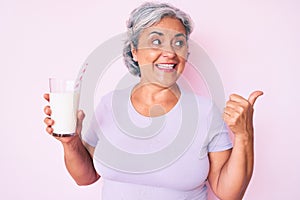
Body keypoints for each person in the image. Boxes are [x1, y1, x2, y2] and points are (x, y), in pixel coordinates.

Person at [43, 2, 263, 200]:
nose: (169, 52)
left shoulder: (205, 112)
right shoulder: (109, 105)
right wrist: (71, 143)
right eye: (156, 41)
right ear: (134, 51)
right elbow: (86, 177)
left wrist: (245, 135)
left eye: (178, 43)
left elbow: (229, 193)